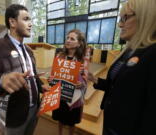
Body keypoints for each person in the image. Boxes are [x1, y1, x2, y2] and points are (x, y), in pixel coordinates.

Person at [0, 4, 49, 135]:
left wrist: (40, 86)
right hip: (14, 113)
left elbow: (31, 74)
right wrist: (2, 79)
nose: (31, 24)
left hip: (35, 108)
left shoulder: (28, 49)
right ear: (12, 22)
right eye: (26, 19)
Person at [88, 0, 156, 135]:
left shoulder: (152, 54)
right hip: (112, 122)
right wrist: (94, 79)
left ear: (145, 16)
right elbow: (116, 86)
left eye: (125, 18)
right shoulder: (128, 51)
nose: (119, 24)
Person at [50, 29, 87, 135]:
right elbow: (54, 73)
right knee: (60, 118)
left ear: (79, 43)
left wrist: (82, 83)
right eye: (67, 38)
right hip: (61, 93)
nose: (68, 40)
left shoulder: (82, 60)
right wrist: (51, 79)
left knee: (72, 122)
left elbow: (86, 79)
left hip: (74, 97)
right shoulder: (59, 56)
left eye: (72, 39)